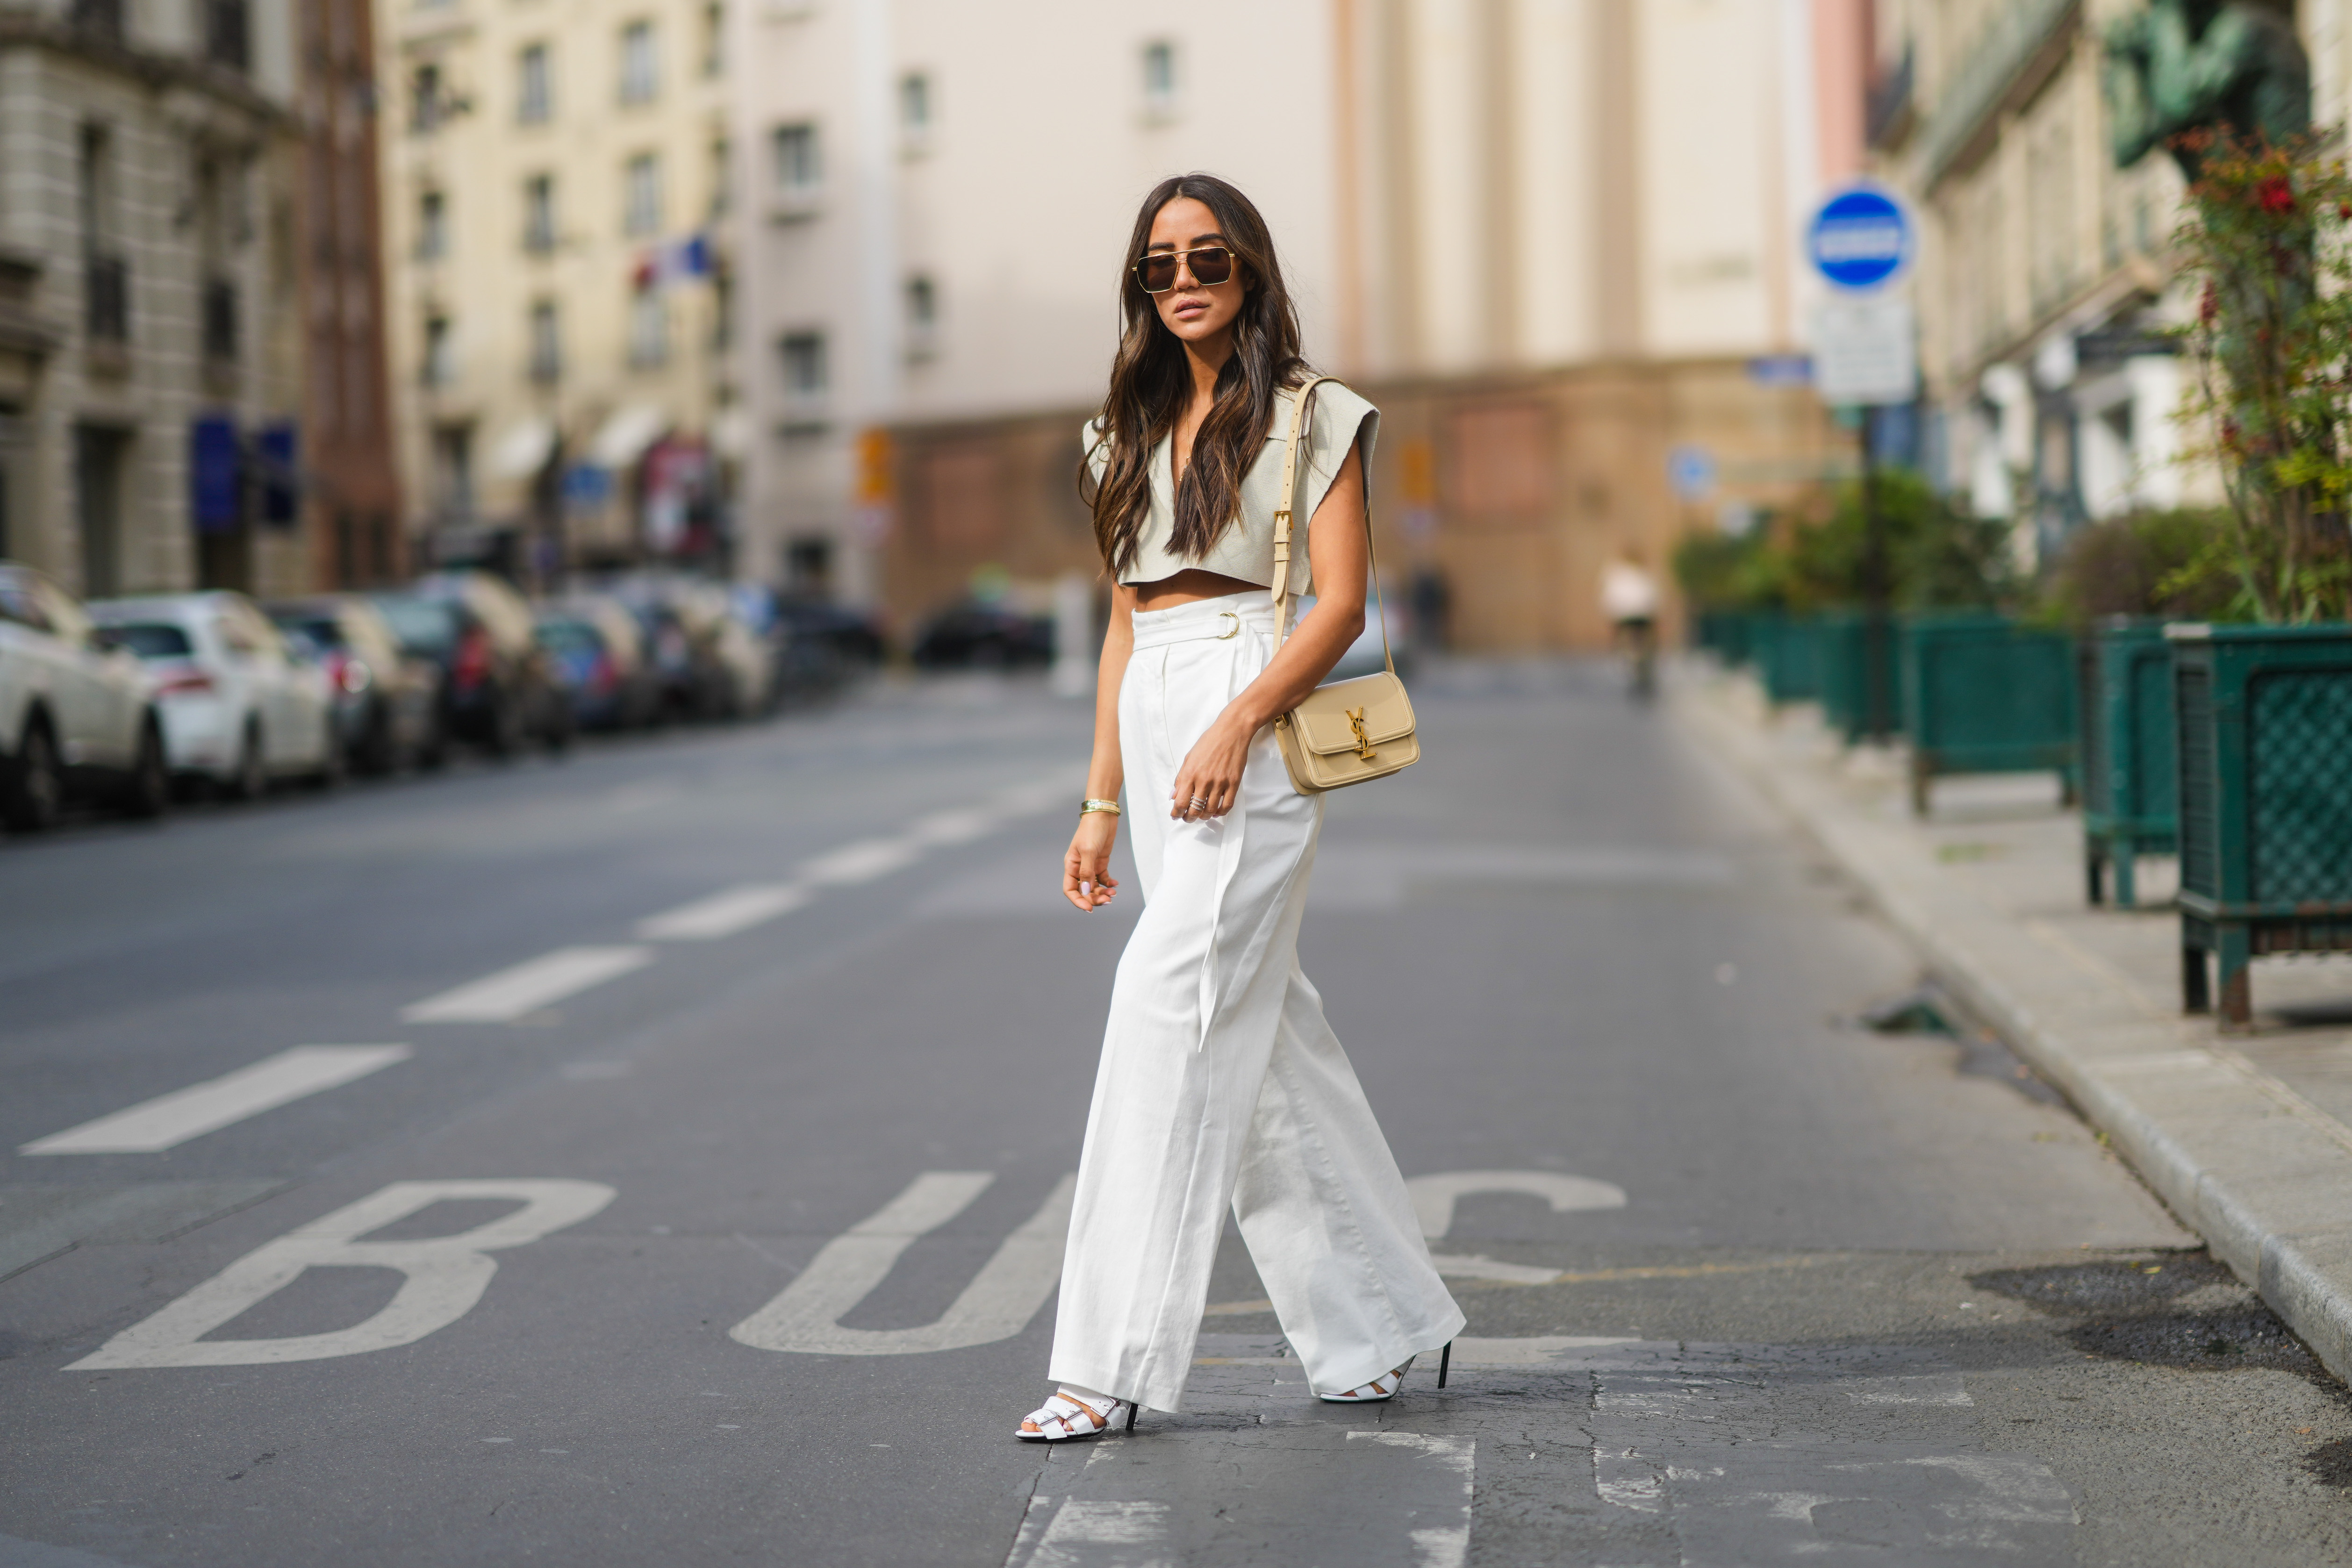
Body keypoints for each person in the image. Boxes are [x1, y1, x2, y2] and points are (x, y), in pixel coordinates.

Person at [1018, 174, 1464, 1442]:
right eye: (1159, 265)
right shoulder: (1117, 428)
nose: (1184, 278)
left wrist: (1238, 720)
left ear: (1250, 267)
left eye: (1206, 255)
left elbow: (1339, 604)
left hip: (1250, 703)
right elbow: (1121, 623)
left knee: (1171, 1001)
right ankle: (1377, 1321)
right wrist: (1100, 798)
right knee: (1260, 1029)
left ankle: (1107, 1359)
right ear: (1140, 289)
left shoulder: (1317, 414)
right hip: (1158, 699)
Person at [1600, 549, 1661, 701]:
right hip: (1641, 615)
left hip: (1626, 616)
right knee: (1644, 644)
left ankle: (1631, 667)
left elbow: (1610, 597)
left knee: (1626, 644)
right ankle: (1639, 666)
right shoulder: (1642, 573)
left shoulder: (1618, 573)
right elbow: (1653, 595)